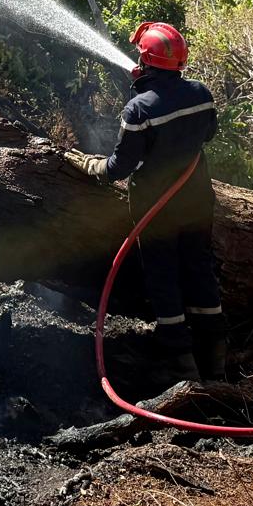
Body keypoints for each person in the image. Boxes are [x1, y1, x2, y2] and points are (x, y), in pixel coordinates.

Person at [66, 22, 224, 385]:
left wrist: (91, 164)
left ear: (146, 62)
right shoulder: (201, 94)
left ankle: (180, 361)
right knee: (199, 268)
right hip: (198, 202)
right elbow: (208, 134)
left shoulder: (139, 109)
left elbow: (120, 168)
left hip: (157, 210)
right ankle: (215, 355)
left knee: (162, 275)